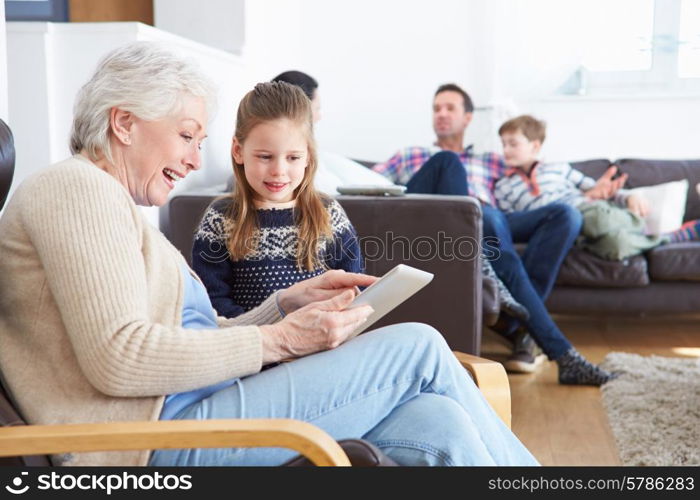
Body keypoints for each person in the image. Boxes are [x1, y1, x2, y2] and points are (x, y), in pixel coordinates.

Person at [0, 42, 538, 467]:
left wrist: (283, 305)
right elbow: (121, 358)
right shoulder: (74, 189)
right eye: (186, 136)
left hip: (186, 410)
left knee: (438, 421)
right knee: (418, 347)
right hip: (152, 440)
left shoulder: (108, 203)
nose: (193, 160)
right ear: (123, 123)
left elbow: (189, 341)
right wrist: (279, 339)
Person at [373, 84, 614, 385]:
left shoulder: (493, 159)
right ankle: (561, 354)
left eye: (450, 108)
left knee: (565, 214)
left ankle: (520, 324)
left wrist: (595, 193)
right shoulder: (411, 155)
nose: (441, 115)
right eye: (436, 109)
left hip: (494, 221)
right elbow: (367, 186)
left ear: (469, 117)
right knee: (450, 166)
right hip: (440, 223)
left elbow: (537, 175)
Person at [191, 82, 363, 318]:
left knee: (422, 335)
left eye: (293, 157)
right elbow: (212, 303)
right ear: (238, 151)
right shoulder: (221, 218)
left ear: (308, 156)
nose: (278, 170)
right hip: (257, 347)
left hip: (325, 342)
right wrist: (275, 335)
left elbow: (355, 289)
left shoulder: (328, 212)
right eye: (265, 157)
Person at [495, 115, 700, 260]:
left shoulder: (557, 169)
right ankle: (664, 237)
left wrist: (627, 197)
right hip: (563, 229)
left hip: (586, 210)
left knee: (600, 221)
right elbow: (514, 223)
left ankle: (638, 225)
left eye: (513, 144)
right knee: (616, 247)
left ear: (535, 146)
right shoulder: (504, 186)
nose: (506, 150)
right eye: (503, 144)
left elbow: (599, 189)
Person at [272, 70, 395, 195]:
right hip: (391, 189)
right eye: (317, 108)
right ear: (304, 109)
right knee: (412, 155)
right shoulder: (311, 165)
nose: (319, 116)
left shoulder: (317, 158)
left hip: (387, 184)